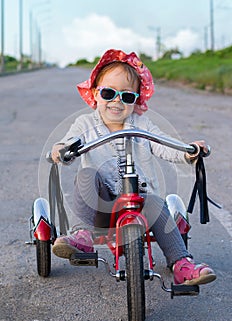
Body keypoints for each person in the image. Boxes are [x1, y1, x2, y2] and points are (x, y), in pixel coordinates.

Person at [51, 49, 216, 286]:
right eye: (109, 93)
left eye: (126, 97)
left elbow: (164, 145)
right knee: (86, 175)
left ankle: (182, 263)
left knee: (158, 203)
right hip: (101, 206)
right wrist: (62, 150)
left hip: (140, 199)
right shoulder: (85, 123)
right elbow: (71, 142)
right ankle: (83, 233)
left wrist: (189, 150)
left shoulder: (141, 124)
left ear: (136, 100)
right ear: (96, 94)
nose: (117, 101)